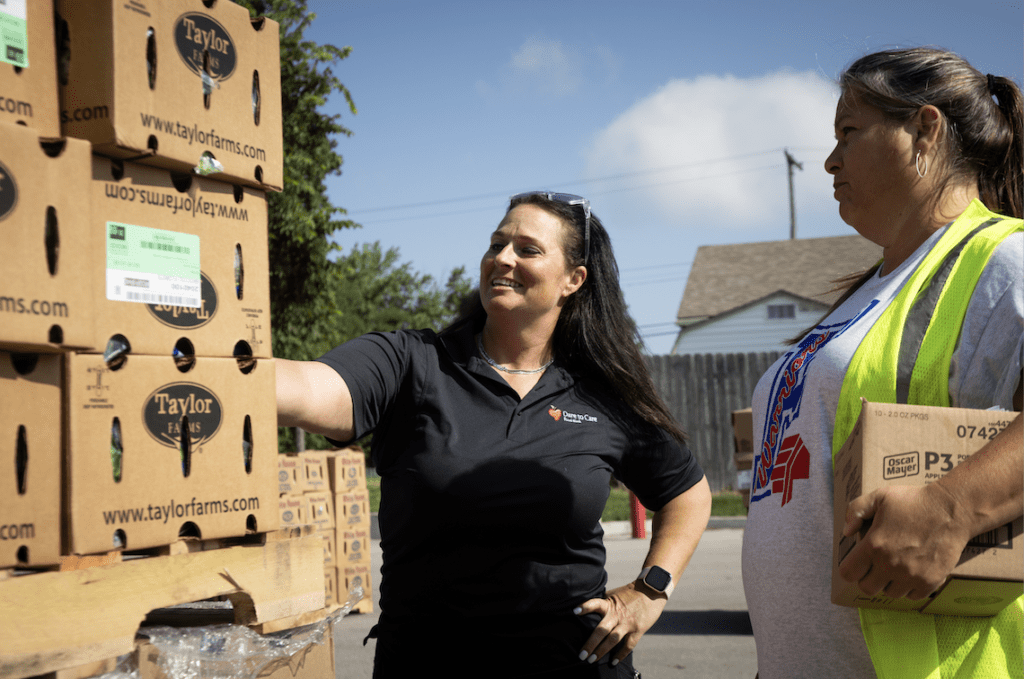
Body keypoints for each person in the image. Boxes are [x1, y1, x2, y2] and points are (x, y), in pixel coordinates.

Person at [277, 191, 712, 678]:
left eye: (527, 249)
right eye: (496, 244)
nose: (502, 258)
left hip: (576, 664)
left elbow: (687, 493)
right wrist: (221, 372)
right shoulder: (412, 363)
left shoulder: (602, 392)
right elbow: (306, 386)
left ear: (574, 279)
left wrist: (650, 592)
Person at [741, 47, 1023, 679]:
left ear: (924, 129)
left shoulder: (1007, 261)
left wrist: (953, 507)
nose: (830, 159)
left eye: (849, 131)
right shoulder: (871, 289)